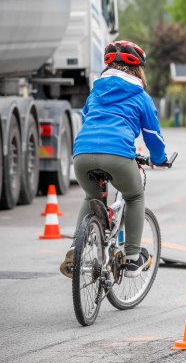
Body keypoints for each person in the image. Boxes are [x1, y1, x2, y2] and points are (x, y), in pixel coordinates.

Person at [60, 40, 169, 279]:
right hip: (117, 154)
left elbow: (89, 119)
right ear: (138, 69)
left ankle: (76, 250)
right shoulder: (140, 96)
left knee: (91, 196)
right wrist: (159, 158)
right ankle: (132, 258)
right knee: (134, 195)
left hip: (82, 154)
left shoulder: (95, 93)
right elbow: (152, 135)